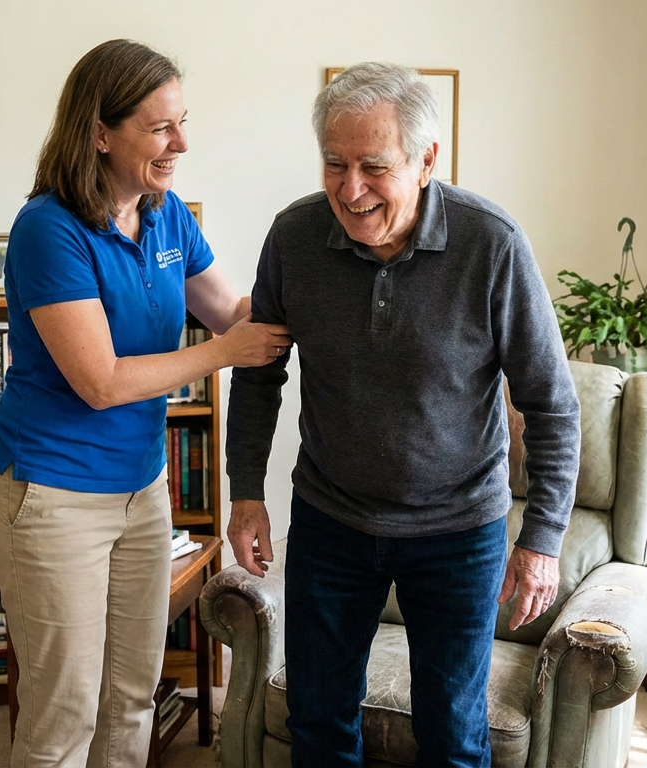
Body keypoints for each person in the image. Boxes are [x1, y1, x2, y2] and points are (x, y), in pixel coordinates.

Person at [224, 62, 580, 766]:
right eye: (334, 164)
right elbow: (259, 372)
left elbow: (551, 403)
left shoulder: (492, 244)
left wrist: (542, 539)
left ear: (426, 162)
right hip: (331, 520)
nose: (350, 191)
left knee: (451, 734)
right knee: (318, 723)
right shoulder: (294, 238)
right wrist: (243, 493)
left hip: (458, 530)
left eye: (374, 167)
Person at [0, 39, 289, 767]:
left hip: (141, 491)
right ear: (98, 132)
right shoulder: (47, 229)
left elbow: (230, 311)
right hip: (52, 496)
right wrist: (225, 353)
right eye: (160, 128)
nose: (182, 142)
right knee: (64, 712)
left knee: (131, 697)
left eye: (182, 121)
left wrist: (310, 284)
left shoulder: (165, 213)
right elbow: (101, 381)